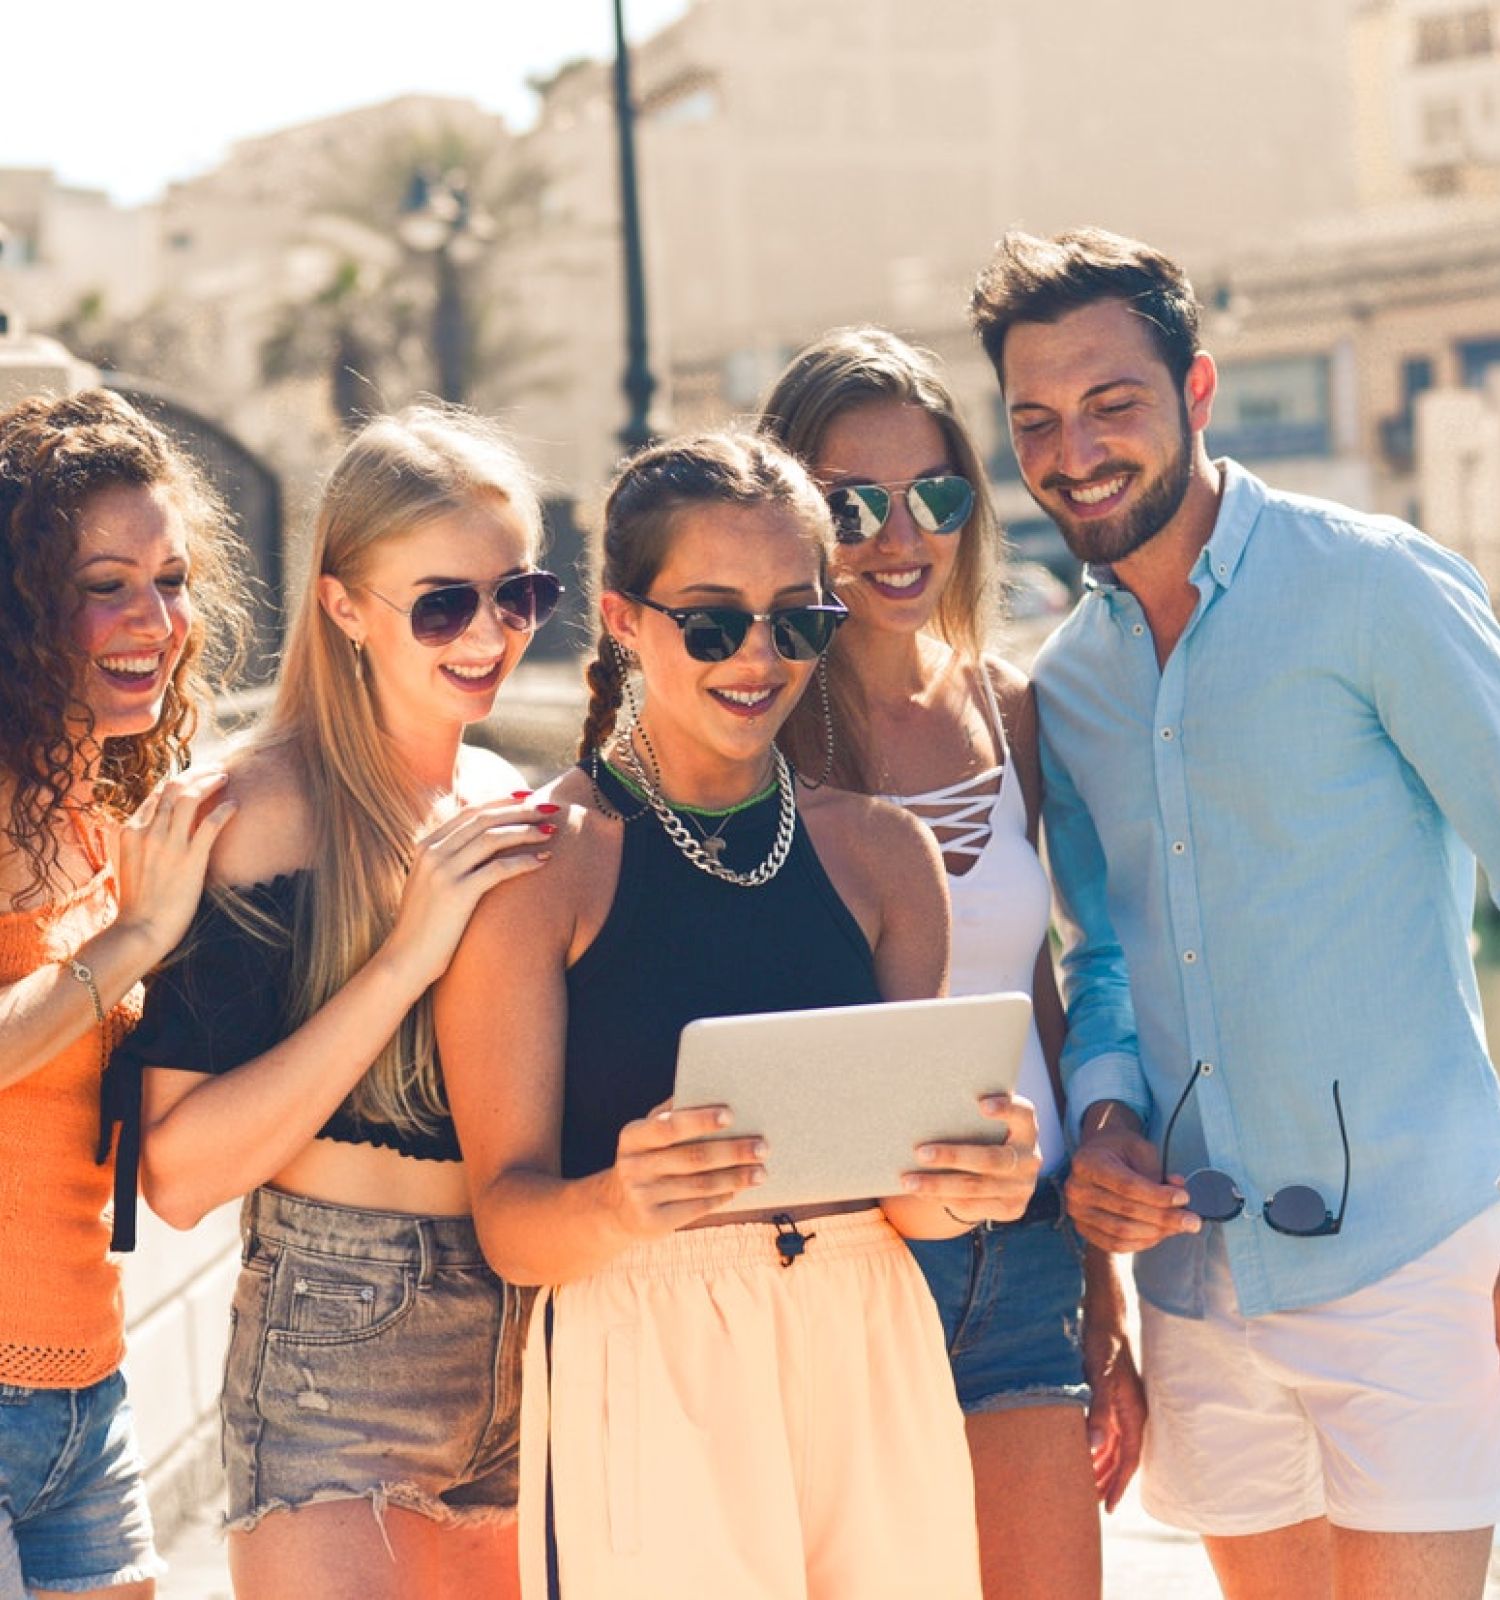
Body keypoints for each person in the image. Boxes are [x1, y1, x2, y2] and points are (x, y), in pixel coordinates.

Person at [969, 226, 1500, 1600]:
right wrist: (1102, 1118)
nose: (1073, 451)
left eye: (1112, 405)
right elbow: (1095, 958)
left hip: (1415, 1255)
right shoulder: (1065, 686)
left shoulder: (1372, 586)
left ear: (1199, 393)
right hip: (1198, 1284)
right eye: (1036, 420)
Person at [435, 430, 1041, 1600]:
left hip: (871, 1333)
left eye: (795, 620)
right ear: (623, 617)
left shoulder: (886, 856)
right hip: (645, 1338)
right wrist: (618, 1199)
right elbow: (511, 1223)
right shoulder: (540, 868)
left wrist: (976, 1178)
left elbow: (910, 1204)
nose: (756, 656)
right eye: (712, 620)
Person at [122, 407, 561, 1600]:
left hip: (529, 1330)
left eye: (517, 594)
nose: (489, 634)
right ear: (343, 604)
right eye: (442, 603)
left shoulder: (502, 792)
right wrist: (405, 955)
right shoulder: (257, 812)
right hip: (339, 1344)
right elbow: (179, 1174)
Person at [757, 325, 1146, 1600]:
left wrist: (1102, 1290)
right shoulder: (750, 733)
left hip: (1023, 1244)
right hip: (839, 1261)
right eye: (851, 503)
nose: (897, 535)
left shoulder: (1006, 706)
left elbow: (1036, 994)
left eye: (932, 493)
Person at [0, 387, 249, 1600]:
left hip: (82, 1385)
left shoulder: (109, 814)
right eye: (107, 582)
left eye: (172, 577)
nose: (155, 617)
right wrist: (142, 933)